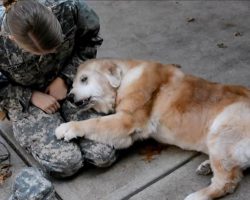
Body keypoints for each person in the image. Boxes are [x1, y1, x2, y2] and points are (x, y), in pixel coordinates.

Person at [0, 0, 117, 178]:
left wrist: (65, 77)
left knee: (104, 153)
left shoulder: (68, 6)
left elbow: (90, 41)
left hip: (72, 80)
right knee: (67, 164)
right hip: (26, 99)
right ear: (12, 38)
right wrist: (30, 96)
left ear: (52, 14)